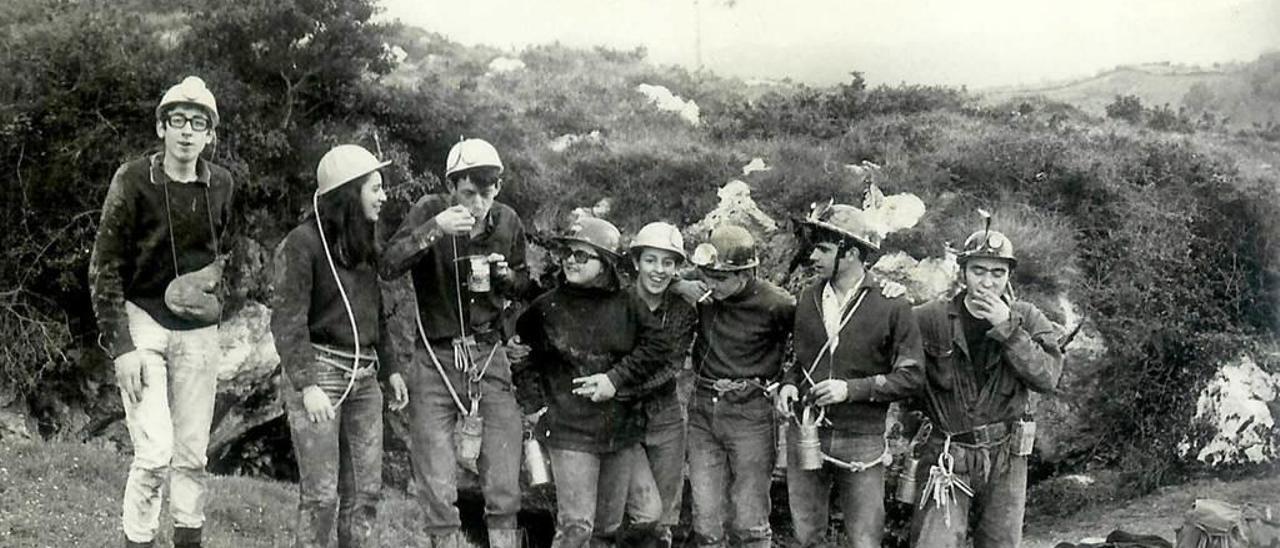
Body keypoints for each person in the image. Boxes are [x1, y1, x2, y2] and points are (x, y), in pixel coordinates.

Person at [89, 75, 236, 548]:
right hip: (144, 322)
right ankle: (138, 540)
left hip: (198, 332)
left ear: (210, 135)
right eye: (178, 121)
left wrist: (217, 296)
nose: (187, 132)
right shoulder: (133, 179)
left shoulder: (222, 185)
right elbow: (103, 266)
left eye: (199, 123)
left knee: (192, 456)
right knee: (154, 453)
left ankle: (188, 540)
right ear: (161, 127)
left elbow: (226, 257)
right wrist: (121, 349)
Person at [380, 138, 529, 548]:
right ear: (452, 186)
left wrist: (505, 279)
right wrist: (434, 230)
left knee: (503, 476)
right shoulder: (430, 210)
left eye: (488, 192)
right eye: (469, 193)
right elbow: (389, 264)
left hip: (488, 355)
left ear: (498, 188)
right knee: (435, 476)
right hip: (435, 356)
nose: (479, 203)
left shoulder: (509, 221)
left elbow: (523, 282)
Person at [271, 144, 409, 547]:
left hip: (365, 378)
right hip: (322, 375)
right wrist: (307, 385)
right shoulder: (302, 243)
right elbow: (287, 320)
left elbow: (375, 314)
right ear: (351, 193)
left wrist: (392, 368)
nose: (383, 197)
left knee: (364, 493)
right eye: (376, 188)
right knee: (321, 496)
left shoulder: (362, 242)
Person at [774, 202, 925, 548]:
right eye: (814, 247)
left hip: (862, 437)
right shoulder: (808, 297)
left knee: (864, 537)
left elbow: (912, 377)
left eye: (824, 249)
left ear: (853, 253)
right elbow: (802, 361)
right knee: (806, 533)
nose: (813, 256)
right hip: (807, 430)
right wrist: (788, 385)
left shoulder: (891, 304)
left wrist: (851, 389)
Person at [514, 217, 670, 547]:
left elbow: (659, 347)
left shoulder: (629, 304)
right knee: (576, 526)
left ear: (606, 264)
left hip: (620, 431)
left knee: (607, 529)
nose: (571, 260)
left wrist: (615, 379)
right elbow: (521, 355)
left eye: (582, 256)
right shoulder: (546, 308)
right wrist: (533, 406)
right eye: (568, 253)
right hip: (569, 431)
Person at [908, 222, 1063, 548]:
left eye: (998, 272)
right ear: (962, 272)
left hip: (1006, 457)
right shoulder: (929, 318)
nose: (988, 282)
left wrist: (1007, 328)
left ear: (1009, 275)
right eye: (978, 271)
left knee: (1001, 543)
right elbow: (900, 373)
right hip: (948, 454)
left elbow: (1047, 377)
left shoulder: (1027, 318)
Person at [684, 224, 795, 548]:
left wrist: (786, 383)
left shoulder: (778, 304)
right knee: (706, 521)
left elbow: (809, 349)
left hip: (752, 414)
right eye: (707, 275)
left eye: (719, 278)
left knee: (749, 521)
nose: (710, 284)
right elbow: (671, 284)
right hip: (704, 411)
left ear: (746, 273)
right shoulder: (704, 296)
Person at [619, 222, 699, 548]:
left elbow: (671, 365)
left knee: (664, 519)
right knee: (642, 513)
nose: (659, 270)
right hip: (623, 418)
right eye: (651, 260)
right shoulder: (617, 303)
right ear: (636, 262)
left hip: (665, 418)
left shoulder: (681, 310)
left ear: (677, 269)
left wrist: (619, 385)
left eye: (668, 263)